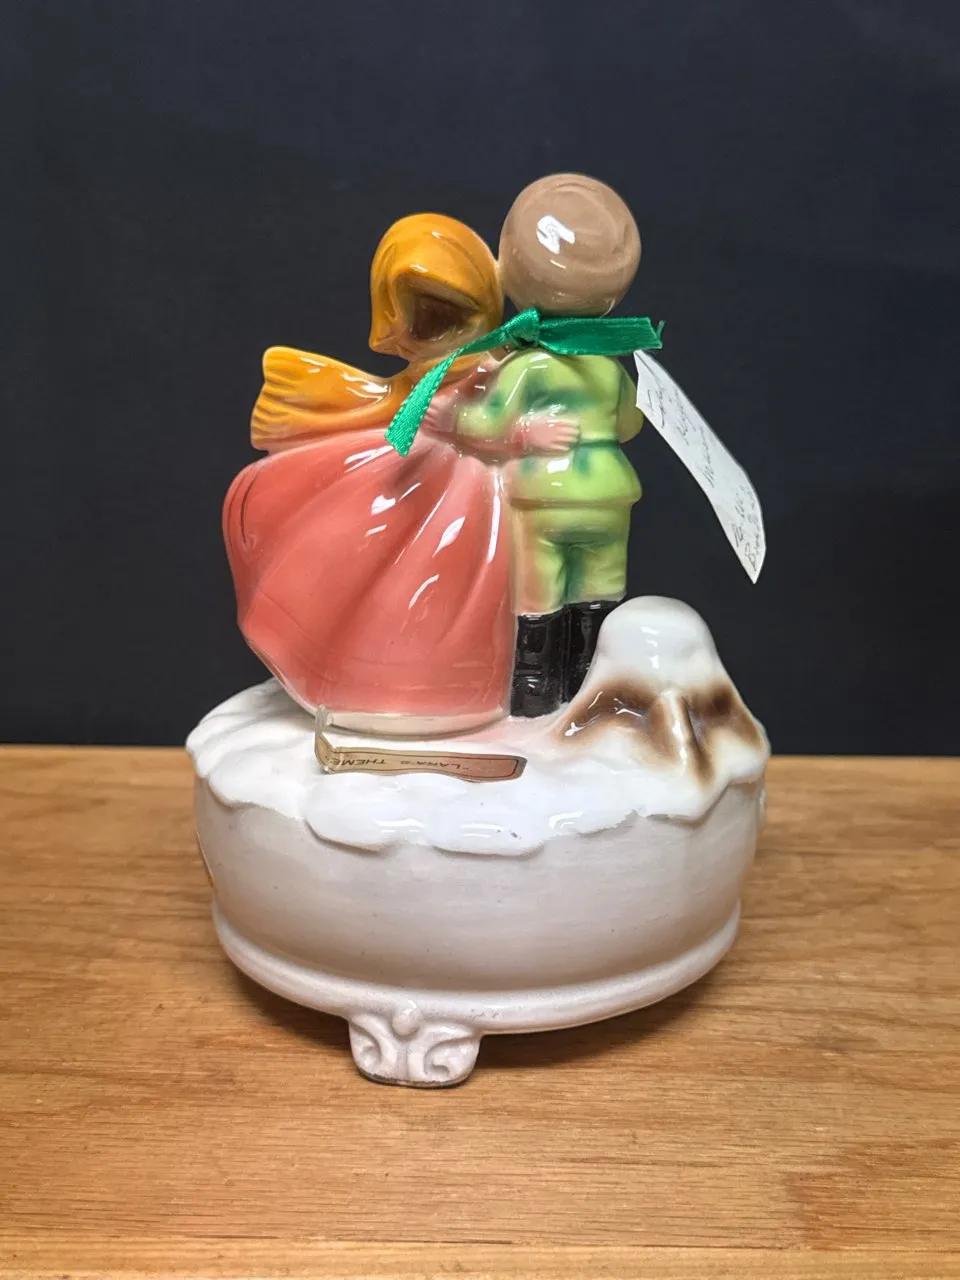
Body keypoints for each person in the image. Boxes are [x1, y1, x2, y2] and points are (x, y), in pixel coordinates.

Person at [223, 214, 519, 735]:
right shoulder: (418, 396)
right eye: (419, 318)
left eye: (441, 313)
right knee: (357, 551)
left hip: (480, 506)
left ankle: (451, 685)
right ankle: (365, 677)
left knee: (464, 582)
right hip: (407, 476)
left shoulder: (509, 371)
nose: (431, 330)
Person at [454, 174, 646, 717]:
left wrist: (464, 417)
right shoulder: (610, 366)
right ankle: (587, 686)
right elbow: (630, 424)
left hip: (545, 498)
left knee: (538, 593)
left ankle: (535, 690)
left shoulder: (528, 366)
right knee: (599, 590)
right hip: (608, 495)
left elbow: (483, 423)